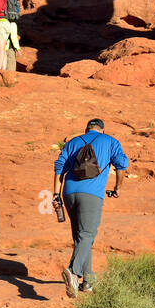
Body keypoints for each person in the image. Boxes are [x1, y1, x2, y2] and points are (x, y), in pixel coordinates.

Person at [53, 119, 127, 297]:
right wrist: (118, 188)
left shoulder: (73, 142)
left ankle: (88, 281)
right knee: (87, 235)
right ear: (102, 129)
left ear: (86, 129)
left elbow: (59, 168)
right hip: (92, 194)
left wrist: (55, 194)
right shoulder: (110, 141)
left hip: (69, 193)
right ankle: (73, 271)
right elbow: (121, 165)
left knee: (82, 238)